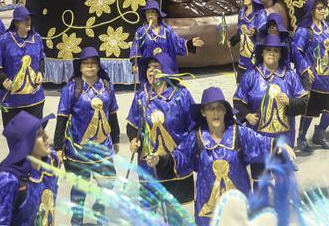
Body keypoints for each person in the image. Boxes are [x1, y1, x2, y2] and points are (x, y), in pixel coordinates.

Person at [172, 87, 290, 226]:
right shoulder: (196, 137)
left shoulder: (239, 133)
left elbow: (261, 143)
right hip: (208, 213)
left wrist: (279, 146)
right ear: (203, 112)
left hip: (239, 206)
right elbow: (179, 158)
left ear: (225, 111)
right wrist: (161, 160)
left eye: (219, 107)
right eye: (210, 108)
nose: (215, 113)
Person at [54, 46, 119, 222]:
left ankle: (100, 214)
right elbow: (61, 117)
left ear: (98, 66)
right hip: (77, 149)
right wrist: (58, 147)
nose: (89, 67)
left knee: (107, 184)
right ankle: (77, 220)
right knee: (79, 189)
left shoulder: (106, 86)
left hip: (102, 148)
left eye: (93, 63)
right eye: (86, 64)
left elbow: (112, 113)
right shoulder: (72, 88)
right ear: (80, 67)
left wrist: (117, 139)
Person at [126, 53, 196, 205]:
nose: (151, 70)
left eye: (156, 67)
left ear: (167, 71)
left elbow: (194, 129)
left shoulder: (181, 95)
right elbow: (132, 125)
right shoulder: (141, 97)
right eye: (149, 67)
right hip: (149, 167)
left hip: (176, 166)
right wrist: (133, 140)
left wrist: (182, 156)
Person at [233, 33, 307, 176]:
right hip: (258, 138)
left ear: (281, 54)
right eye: (268, 50)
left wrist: (290, 102)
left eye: (276, 50)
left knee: (283, 180)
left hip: (284, 138)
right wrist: (247, 115)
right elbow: (238, 101)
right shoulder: (251, 75)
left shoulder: (290, 76)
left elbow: (304, 102)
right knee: (261, 181)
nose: (272, 53)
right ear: (262, 53)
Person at [0, 111, 60, 226]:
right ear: (25, 144)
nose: (46, 136)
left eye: (44, 131)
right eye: (39, 134)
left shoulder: (51, 163)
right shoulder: (8, 181)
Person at [291, 0, 329, 154]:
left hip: (327, 77)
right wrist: (305, 68)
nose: (323, 11)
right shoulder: (304, 31)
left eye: (324, 8)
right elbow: (296, 52)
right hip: (312, 78)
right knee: (309, 111)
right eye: (319, 8)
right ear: (311, 10)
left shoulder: (328, 27)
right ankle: (301, 138)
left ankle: (319, 134)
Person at [0, 5, 46, 125]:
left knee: (34, 137)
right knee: (15, 139)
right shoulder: (4, 41)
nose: (28, 22)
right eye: (25, 20)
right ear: (16, 23)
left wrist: (40, 72)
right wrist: (4, 81)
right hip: (12, 101)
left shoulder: (37, 38)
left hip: (35, 99)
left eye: (29, 19)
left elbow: (40, 59)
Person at [130, 0, 203, 65]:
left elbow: (177, 44)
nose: (150, 15)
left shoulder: (167, 31)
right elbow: (136, 48)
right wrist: (135, 64)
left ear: (158, 14)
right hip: (148, 70)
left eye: (152, 12)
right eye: (147, 13)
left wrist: (190, 43)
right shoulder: (141, 32)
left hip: (166, 68)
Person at [233, 0, 269, 80]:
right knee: (241, 82)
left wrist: (256, 32)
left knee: (255, 81)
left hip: (255, 54)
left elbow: (264, 33)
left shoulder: (260, 14)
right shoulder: (241, 12)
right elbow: (239, 32)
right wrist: (232, 41)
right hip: (243, 55)